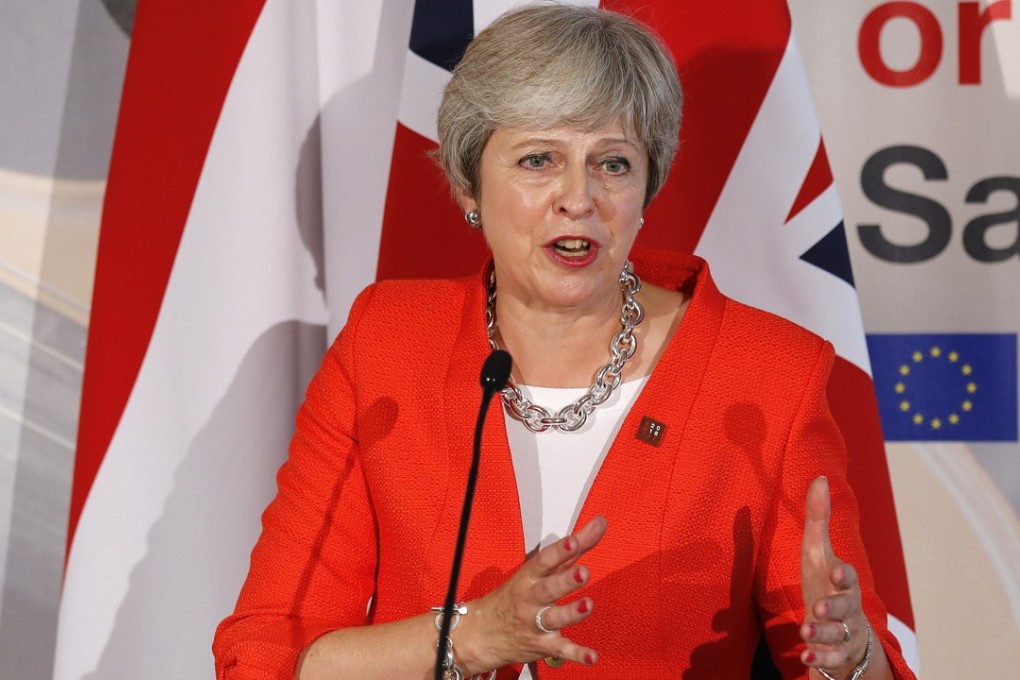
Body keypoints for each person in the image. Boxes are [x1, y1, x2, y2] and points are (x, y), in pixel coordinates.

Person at [213, 5, 916, 679]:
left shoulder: (766, 377)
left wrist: (850, 656)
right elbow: (266, 654)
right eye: (538, 160)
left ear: (647, 187)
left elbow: (841, 655)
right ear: (468, 186)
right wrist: (473, 636)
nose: (578, 197)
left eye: (613, 164)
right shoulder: (388, 347)